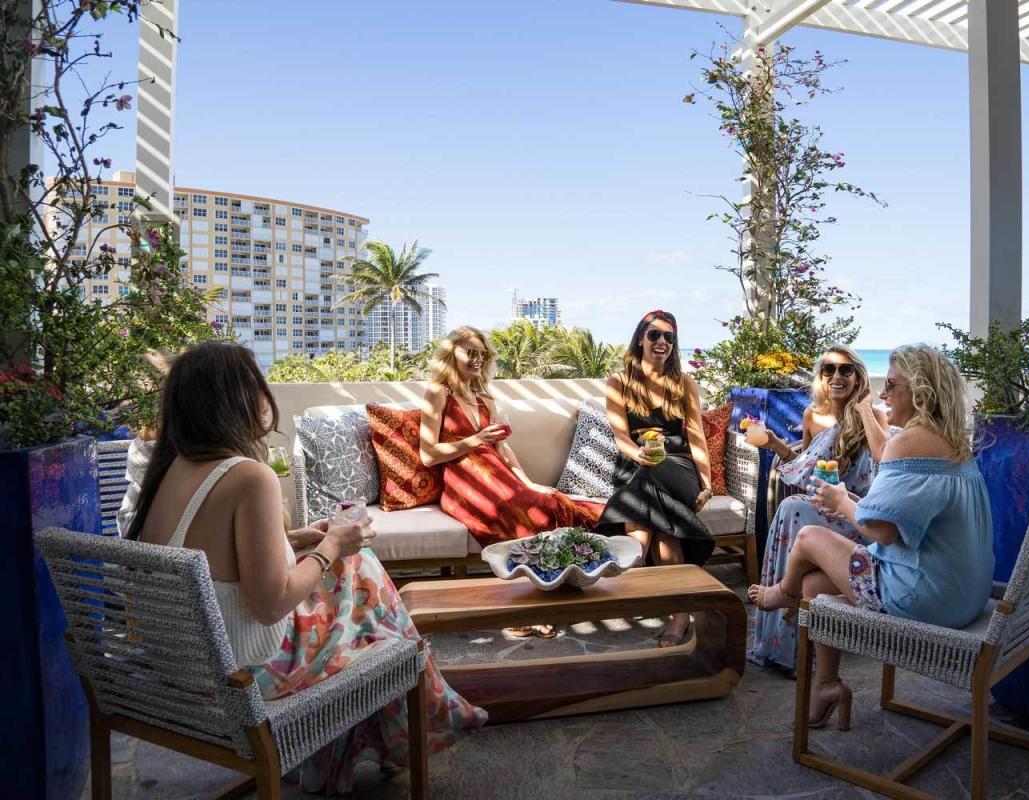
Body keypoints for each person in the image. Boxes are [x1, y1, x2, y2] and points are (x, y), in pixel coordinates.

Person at [127, 342, 486, 794]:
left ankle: (352, 749)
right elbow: (269, 603)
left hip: (183, 666)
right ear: (238, 398)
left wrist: (294, 539)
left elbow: (213, 558)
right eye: (258, 384)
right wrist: (335, 542)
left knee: (356, 590)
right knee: (363, 582)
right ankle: (418, 715)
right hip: (243, 677)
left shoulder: (172, 468)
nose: (265, 395)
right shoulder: (246, 476)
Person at [748, 344, 994, 730]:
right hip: (964, 590)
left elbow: (881, 531)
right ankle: (826, 684)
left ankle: (783, 592)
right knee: (816, 585)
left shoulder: (909, 442)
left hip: (925, 597)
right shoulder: (952, 441)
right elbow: (897, 523)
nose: (883, 394)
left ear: (921, 392)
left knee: (810, 536)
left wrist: (843, 500)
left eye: (892, 385)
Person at [418, 325, 604, 638]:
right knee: (518, 510)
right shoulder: (438, 393)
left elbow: (504, 450)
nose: (477, 360)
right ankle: (520, 610)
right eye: (470, 353)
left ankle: (545, 594)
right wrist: (475, 440)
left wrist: (529, 483)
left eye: (481, 354)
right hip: (464, 480)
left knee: (547, 502)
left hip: (496, 474)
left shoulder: (484, 399)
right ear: (452, 354)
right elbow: (428, 455)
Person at [747, 344, 889, 671]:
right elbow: (804, 470)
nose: (836, 376)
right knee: (793, 505)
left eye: (845, 370)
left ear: (857, 376)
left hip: (856, 513)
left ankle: (787, 606)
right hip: (817, 505)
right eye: (829, 369)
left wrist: (865, 411)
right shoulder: (813, 415)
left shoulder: (872, 415)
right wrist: (774, 444)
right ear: (821, 376)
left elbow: (883, 458)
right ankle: (781, 640)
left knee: (792, 508)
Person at [597, 310, 714, 648]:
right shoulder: (619, 381)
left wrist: (706, 483)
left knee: (650, 483)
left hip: (678, 467)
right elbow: (621, 438)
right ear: (640, 338)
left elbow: (696, 437)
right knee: (662, 525)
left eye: (669, 337)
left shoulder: (683, 383)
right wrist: (640, 455)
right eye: (655, 335)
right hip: (636, 464)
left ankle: (628, 564)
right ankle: (679, 614)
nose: (662, 342)